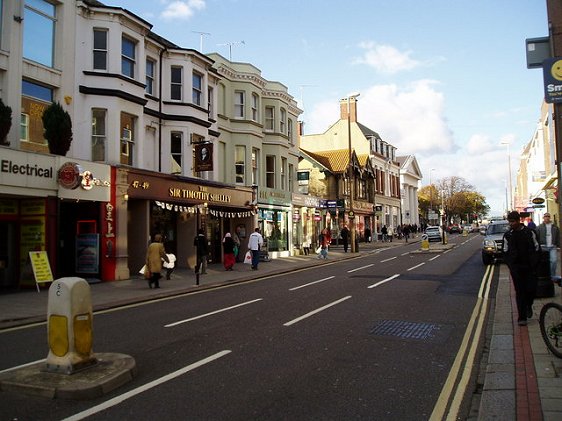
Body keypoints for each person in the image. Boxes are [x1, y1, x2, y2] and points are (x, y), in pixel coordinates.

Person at [503, 211, 541, 326]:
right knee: (520, 292)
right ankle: (522, 317)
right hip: (516, 268)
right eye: (510, 222)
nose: (511, 224)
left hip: (530, 267)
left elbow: (537, 248)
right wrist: (511, 265)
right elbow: (505, 252)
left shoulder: (530, 232)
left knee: (531, 290)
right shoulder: (508, 235)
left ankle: (528, 305)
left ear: (519, 220)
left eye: (513, 221)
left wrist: (535, 263)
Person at [537, 212, 560, 278]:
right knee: (543, 262)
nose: (547, 218)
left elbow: (558, 236)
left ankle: (552, 275)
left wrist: (558, 246)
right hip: (543, 246)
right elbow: (537, 237)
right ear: (543, 218)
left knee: (554, 261)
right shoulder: (539, 227)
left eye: (548, 216)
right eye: (545, 216)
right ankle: (544, 275)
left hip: (552, 246)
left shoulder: (555, 227)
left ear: (550, 217)